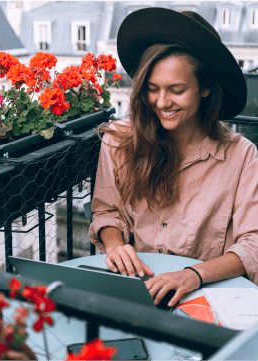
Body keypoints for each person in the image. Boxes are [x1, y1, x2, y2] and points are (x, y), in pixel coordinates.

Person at [88, 8, 258, 308]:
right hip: (135, 291)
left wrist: (192, 275)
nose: (162, 103)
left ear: (206, 88)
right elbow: (108, 212)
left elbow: (253, 245)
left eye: (176, 90)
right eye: (152, 90)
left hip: (208, 297)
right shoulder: (118, 140)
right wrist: (114, 246)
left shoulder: (242, 155)